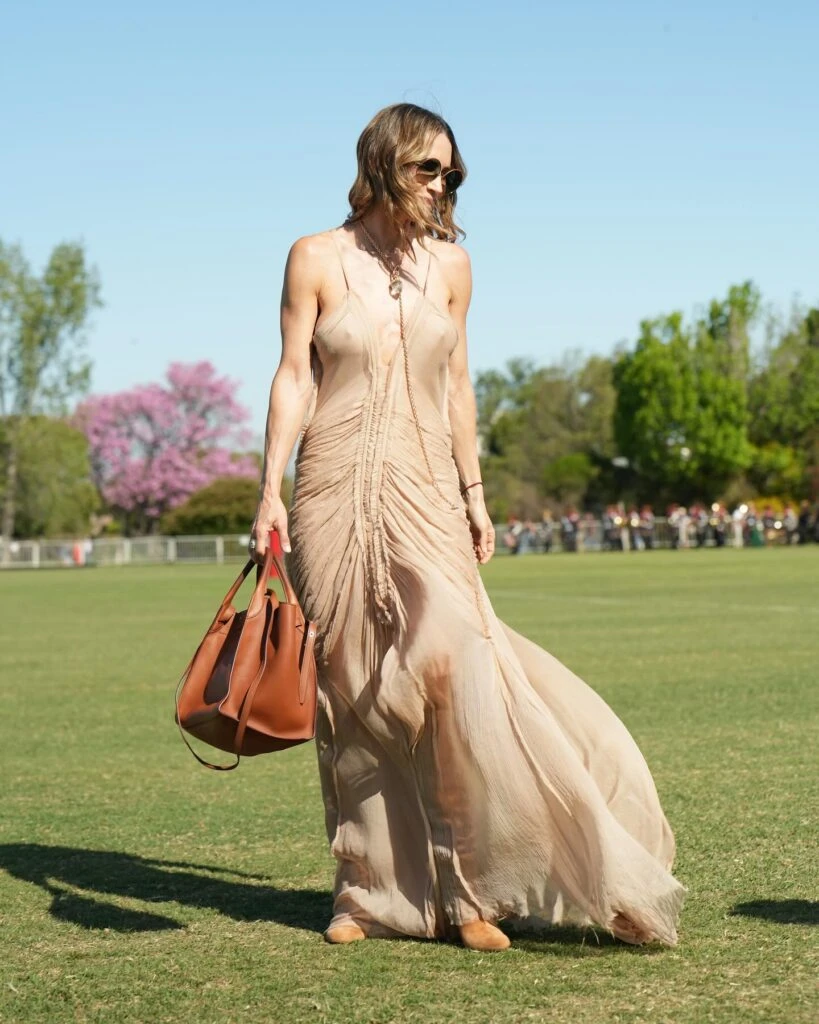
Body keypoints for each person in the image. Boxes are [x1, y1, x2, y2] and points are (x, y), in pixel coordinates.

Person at [249, 103, 682, 952]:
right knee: (354, 691)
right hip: (333, 486)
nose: (441, 184)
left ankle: (469, 891)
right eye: (426, 169)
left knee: (453, 669)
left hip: (425, 493)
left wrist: (474, 493)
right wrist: (269, 489)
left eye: (451, 173)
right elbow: (293, 376)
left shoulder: (453, 266)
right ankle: (364, 895)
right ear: (381, 165)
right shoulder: (315, 256)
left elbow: (456, 387)